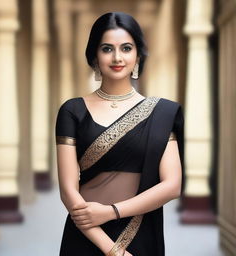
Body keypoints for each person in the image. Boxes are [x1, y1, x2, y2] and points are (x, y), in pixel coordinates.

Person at [55, 12, 184, 256]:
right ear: (95, 55)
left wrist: (111, 211)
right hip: (86, 233)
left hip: (139, 231)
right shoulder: (73, 110)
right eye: (107, 49)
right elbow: (68, 191)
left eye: (126, 48)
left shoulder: (161, 113)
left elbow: (172, 186)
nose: (117, 57)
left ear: (137, 56)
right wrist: (112, 249)